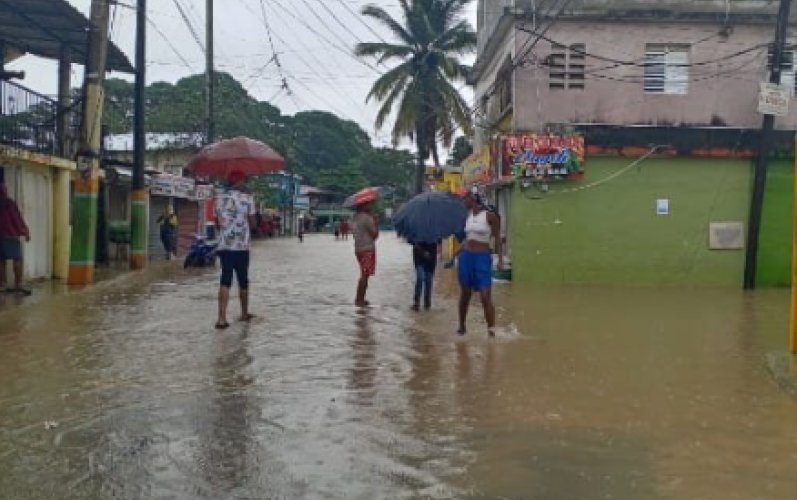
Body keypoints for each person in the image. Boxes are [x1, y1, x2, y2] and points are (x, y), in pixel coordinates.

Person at [214, 170, 257, 329]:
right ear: (239, 182)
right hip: (241, 246)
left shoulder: (219, 198)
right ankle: (244, 313)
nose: (245, 183)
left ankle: (221, 318)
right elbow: (253, 224)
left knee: (225, 279)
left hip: (224, 245)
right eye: (243, 180)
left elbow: (217, 223)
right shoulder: (248, 198)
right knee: (243, 280)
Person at [458, 187, 503, 337]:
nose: (464, 201)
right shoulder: (468, 216)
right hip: (466, 258)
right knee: (465, 294)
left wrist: (499, 260)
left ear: (473, 198)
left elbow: (497, 238)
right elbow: (467, 239)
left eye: (466, 198)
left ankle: (491, 330)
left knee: (485, 296)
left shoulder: (490, 216)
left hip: (482, 258)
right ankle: (462, 326)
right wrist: (456, 255)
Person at [0, 184, 31, 295]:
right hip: (11, 236)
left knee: (1, 261)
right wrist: (24, 231)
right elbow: (16, 218)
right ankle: (18, 283)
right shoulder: (9, 203)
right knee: (17, 259)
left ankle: (2, 284)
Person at [352, 201, 378, 306]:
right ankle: (359, 299)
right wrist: (376, 222)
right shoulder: (367, 218)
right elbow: (375, 235)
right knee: (365, 275)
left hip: (358, 249)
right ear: (363, 206)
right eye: (369, 204)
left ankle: (360, 298)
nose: (371, 206)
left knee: (364, 274)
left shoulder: (355, 217)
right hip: (367, 249)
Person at [410, 240, 439, 311]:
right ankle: (416, 303)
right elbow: (412, 241)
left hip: (431, 260)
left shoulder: (435, 232)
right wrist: (423, 252)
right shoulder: (417, 230)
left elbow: (439, 242)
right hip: (419, 259)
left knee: (429, 282)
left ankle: (427, 305)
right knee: (420, 277)